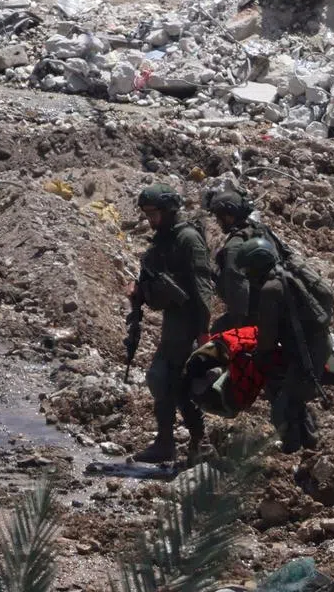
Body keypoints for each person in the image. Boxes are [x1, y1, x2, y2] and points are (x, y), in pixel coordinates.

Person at [128, 183, 214, 463]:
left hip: (188, 321)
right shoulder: (164, 239)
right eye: (147, 214)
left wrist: (203, 332)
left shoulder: (188, 239)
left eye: (154, 213)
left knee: (173, 380)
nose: (150, 220)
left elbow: (202, 288)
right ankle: (170, 442)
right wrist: (140, 290)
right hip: (173, 320)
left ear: (169, 210)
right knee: (166, 380)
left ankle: (196, 442)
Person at [236, 237, 331, 453]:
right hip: (317, 343)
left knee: (283, 406)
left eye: (249, 270)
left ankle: (292, 450)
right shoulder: (288, 274)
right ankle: (309, 444)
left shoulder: (271, 289)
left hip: (305, 351)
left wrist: (257, 357)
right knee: (294, 398)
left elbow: (267, 338)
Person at [206, 189, 262, 334]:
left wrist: (237, 328)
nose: (218, 222)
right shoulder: (259, 231)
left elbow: (239, 289)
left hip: (254, 315)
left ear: (229, 216)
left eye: (219, 217)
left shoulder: (235, 246)